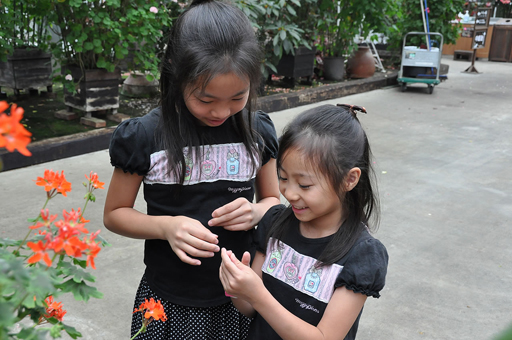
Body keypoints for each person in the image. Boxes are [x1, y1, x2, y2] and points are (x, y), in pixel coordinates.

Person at [103, 0, 281, 338]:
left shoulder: (257, 132)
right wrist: (167, 227)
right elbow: (114, 214)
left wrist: (257, 211)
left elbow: (274, 201)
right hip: (169, 299)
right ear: (176, 73)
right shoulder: (145, 136)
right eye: (206, 99)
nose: (221, 112)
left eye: (237, 98)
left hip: (242, 296)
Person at [219, 104, 389, 340]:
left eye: (305, 185)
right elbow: (249, 308)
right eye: (283, 177)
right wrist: (237, 288)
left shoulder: (361, 255)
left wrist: (258, 295)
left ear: (349, 179)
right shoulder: (275, 223)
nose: (289, 193)